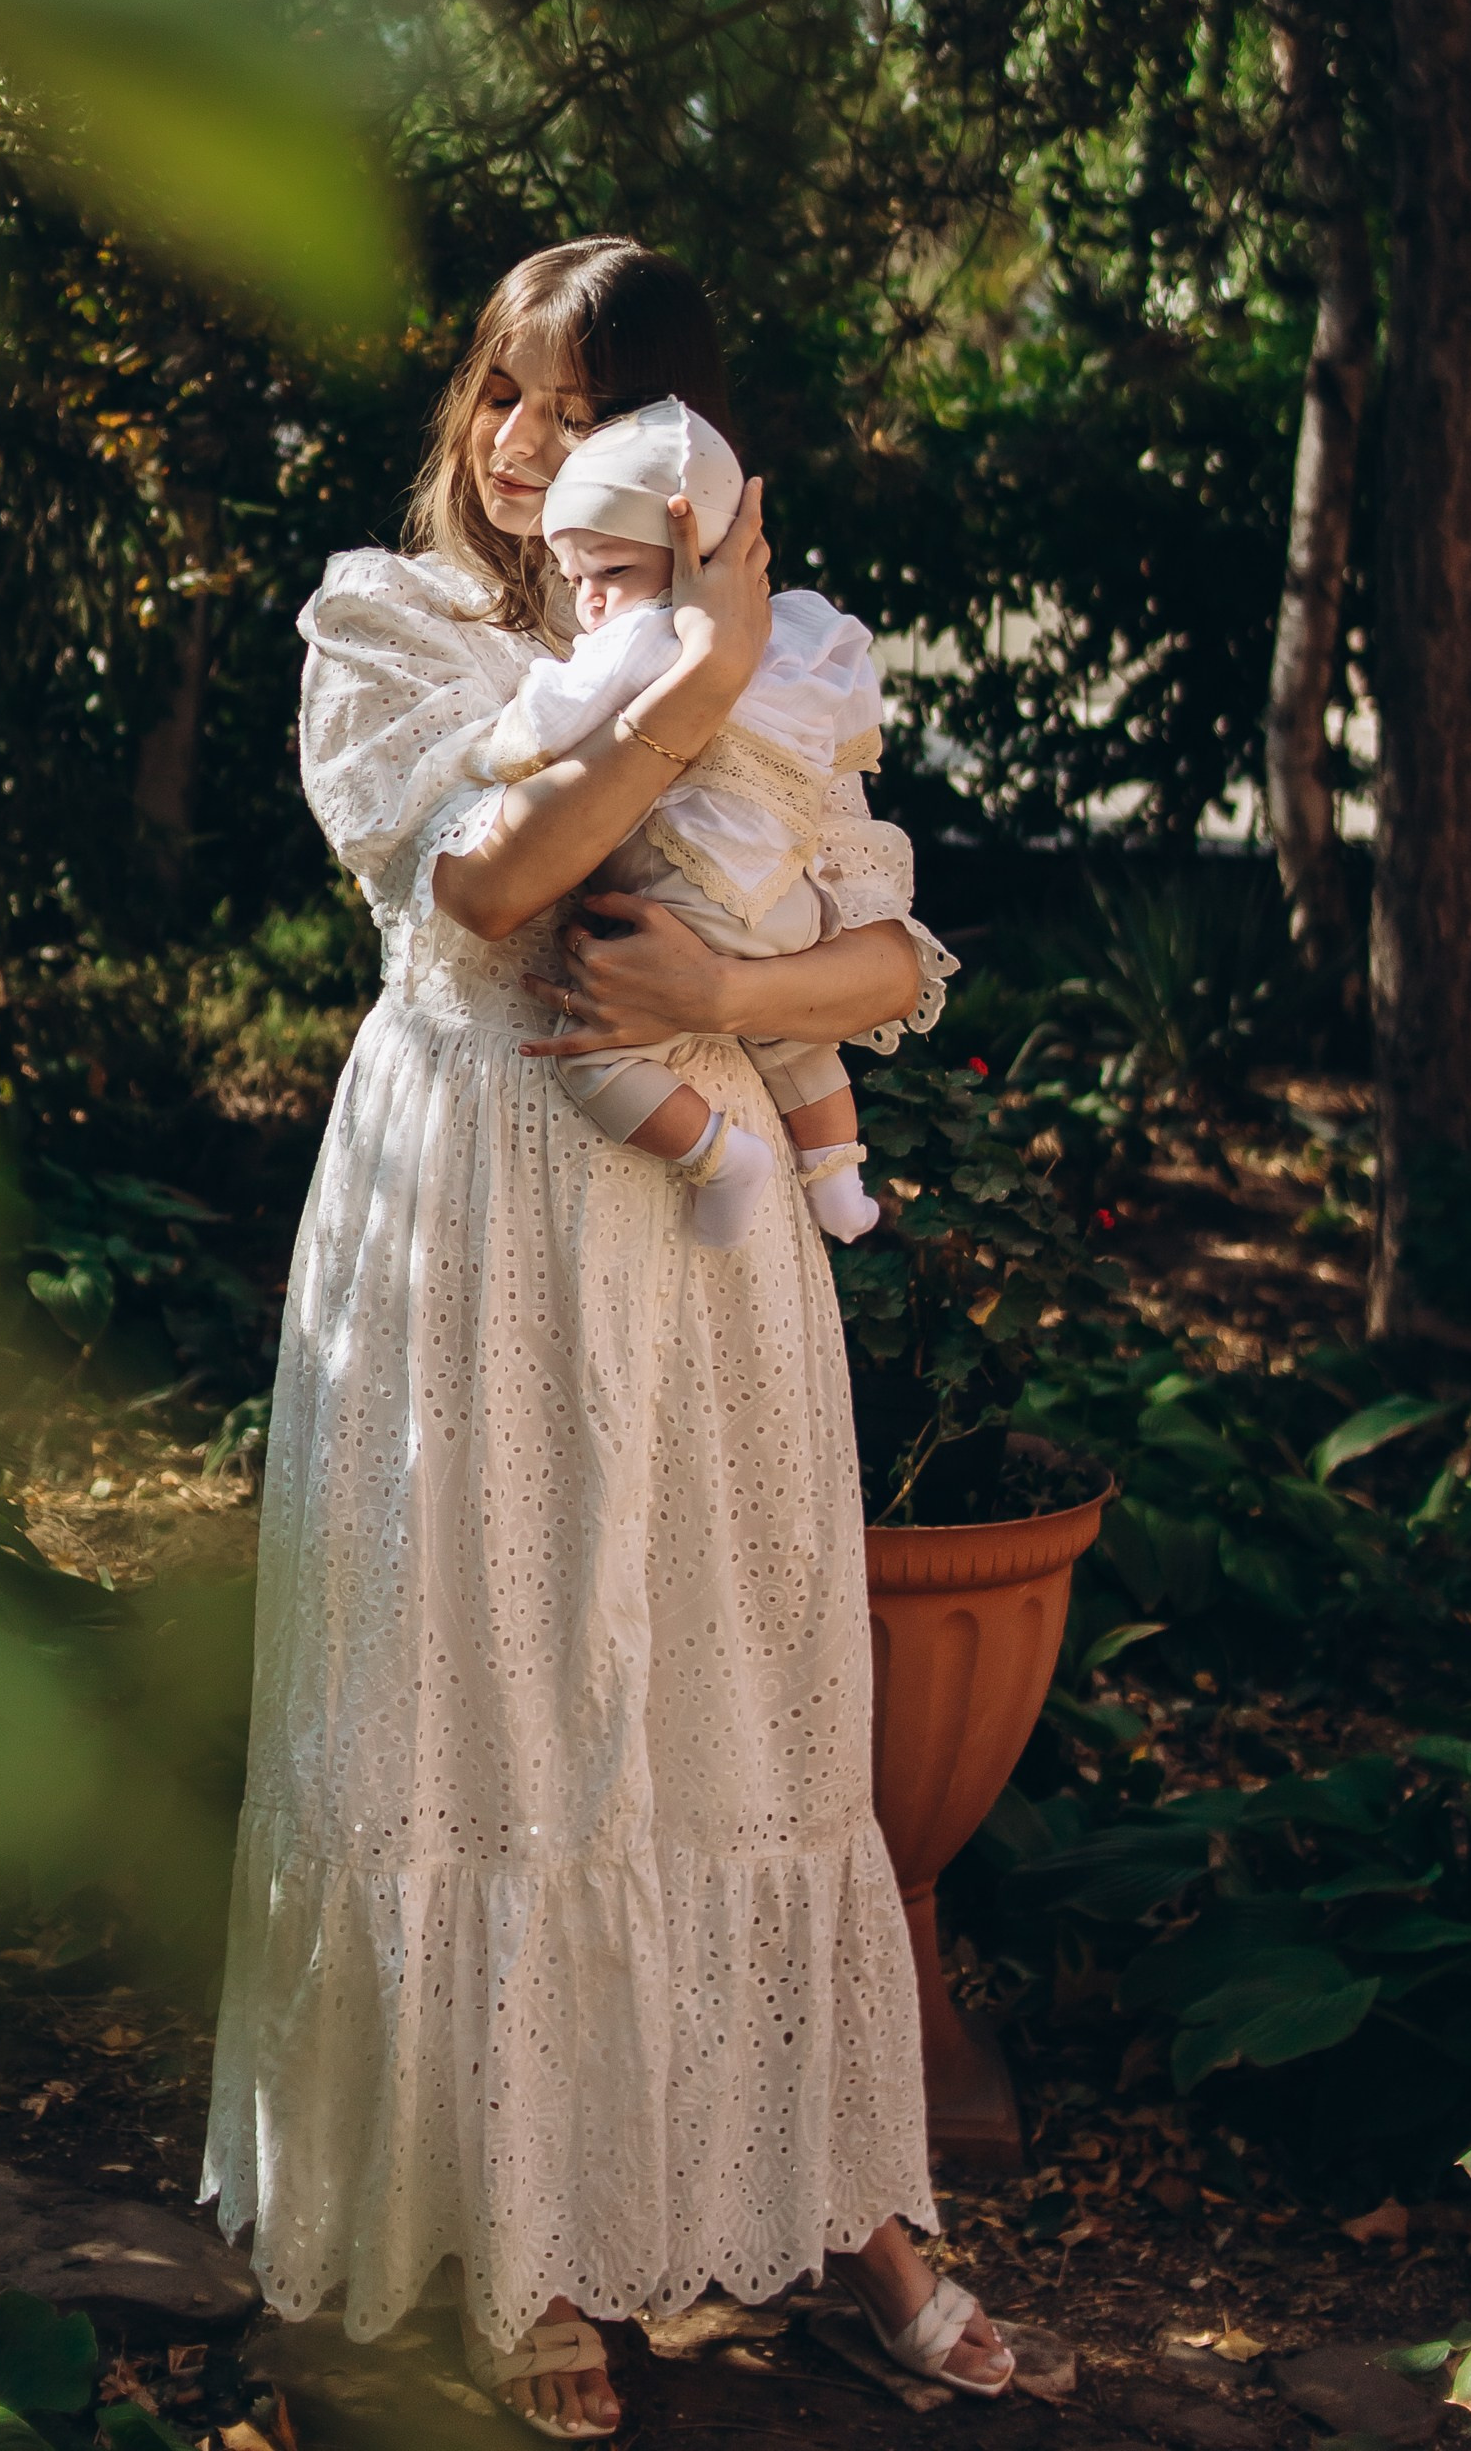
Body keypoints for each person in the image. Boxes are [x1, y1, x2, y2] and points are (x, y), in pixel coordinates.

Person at [202, 238, 1015, 2440]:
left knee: (730, 1675)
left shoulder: (771, 669)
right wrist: (697, 660)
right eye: (501, 394)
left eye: (576, 406)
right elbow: (487, 885)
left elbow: (885, 953)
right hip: (469, 1198)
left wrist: (729, 1002)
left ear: (679, 444)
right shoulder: (397, 629)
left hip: (696, 1214)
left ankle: (848, 2205)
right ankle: (524, 2224)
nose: (525, 443)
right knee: (489, 1674)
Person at [481, 390, 912, 1251]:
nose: (592, 602)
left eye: (610, 572)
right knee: (791, 1038)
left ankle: (722, 1159)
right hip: (792, 913)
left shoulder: (649, 639)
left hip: (686, 913)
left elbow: (546, 724)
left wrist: (504, 740)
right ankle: (838, 1179)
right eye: (577, 580)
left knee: (593, 1057)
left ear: (688, 561)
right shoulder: (786, 633)